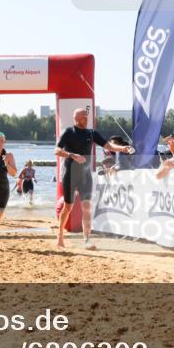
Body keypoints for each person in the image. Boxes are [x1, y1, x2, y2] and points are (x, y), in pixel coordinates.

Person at [54, 107, 134, 250]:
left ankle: (87, 240)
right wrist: (72, 155)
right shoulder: (68, 132)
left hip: (85, 175)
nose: (86, 119)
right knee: (68, 207)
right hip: (70, 174)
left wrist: (123, 149)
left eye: (87, 117)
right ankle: (60, 237)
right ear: (76, 119)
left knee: (87, 208)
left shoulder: (91, 133)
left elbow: (108, 145)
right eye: (83, 117)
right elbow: (57, 150)